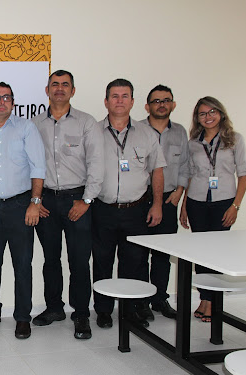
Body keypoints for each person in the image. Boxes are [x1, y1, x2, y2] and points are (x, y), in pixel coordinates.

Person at [31, 70, 104, 340]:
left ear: (73, 91)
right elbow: (28, 164)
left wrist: (87, 200)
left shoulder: (87, 122)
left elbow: (97, 164)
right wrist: (34, 200)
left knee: (79, 260)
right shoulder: (34, 124)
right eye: (55, 84)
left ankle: (81, 313)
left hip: (78, 200)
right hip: (46, 201)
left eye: (65, 85)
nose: (59, 89)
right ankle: (54, 308)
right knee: (51, 259)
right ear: (47, 90)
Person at [0, 82, 46, 340]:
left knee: (22, 263)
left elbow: (38, 166)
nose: (1, 102)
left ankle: (23, 317)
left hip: (20, 206)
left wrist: (35, 202)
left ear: (13, 102)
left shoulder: (26, 128)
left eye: (6, 97)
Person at [92, 78, 166, 329]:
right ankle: (103, 310)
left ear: (133, 101)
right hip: (102, 209)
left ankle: (130, 310)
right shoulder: (93, 132)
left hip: (136, 209)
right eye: (114, 96)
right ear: (106, 101)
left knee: (133, 262)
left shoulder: (147, 134)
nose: (120, 101)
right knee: (102, 262)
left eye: (125, 96)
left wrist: (157, 205)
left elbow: (157, 171)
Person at [180, 97, 246, 322]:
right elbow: (190, 175)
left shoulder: (235, 139)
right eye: (203, 114)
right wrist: (184, 206)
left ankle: (213, 301)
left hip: (224, 203)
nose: (208, 117)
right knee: (200, 254)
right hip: (197, 202)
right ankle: (204, 298)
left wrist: (235, 206)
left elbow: (244, 175)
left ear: (221, 113)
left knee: (217, 254)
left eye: (212, 112)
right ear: (197, 118)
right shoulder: (193, 143)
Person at [139, 84, 190, 321]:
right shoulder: (137, 129)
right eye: (156, 101)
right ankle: (141, 301)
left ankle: (160, 298)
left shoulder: (180, 132)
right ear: (147, 106)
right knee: (140, 254)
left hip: (169, 198)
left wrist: (180, 190)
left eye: (166, 100)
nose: (161, 105)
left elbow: (186, 165)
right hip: (141, 200)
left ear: (173, 104)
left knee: (163, 254)